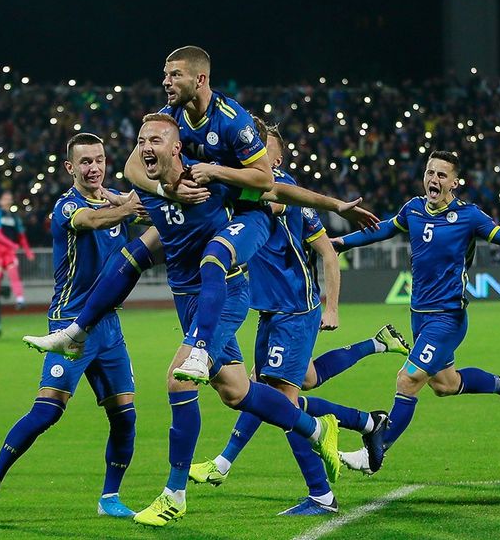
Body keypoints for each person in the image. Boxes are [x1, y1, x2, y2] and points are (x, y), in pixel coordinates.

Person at [23, 45, 376, 359]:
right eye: (166, 75)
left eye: (175, 75)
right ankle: (76, 332)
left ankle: (200, 348)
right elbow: (132, 167)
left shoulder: (233, 123)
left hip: (240, 214)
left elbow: (270, 184)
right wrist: (168, 192)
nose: (166, 82)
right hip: (196, 210)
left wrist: (217, 171)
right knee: (132, 257)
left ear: (200, 79)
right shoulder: (171, 115)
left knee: (214, 259)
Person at [123, 114, 350, 527]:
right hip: (205, 299)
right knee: (237, 390)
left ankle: (174, 495)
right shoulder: (193, 174)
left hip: (240, 298)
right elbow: (135, 173)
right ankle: (317, 429)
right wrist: (151, 196)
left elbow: (278, 193)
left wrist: (334, 205)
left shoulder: (236, 183)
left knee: (180, 378)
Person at [187, 120, 408, 515]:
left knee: (282, 402)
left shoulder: (276, 191)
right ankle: (368, 421)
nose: (254, 155)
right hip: (270, 312)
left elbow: (325, 250)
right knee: (277, 389)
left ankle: (321, 494)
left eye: (264, 149)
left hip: (294, 311)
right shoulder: (259, 189)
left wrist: (332, 305)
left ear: (275, 158)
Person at [333, 150, 500, 474]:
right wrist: (341, 243)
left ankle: (374, 453)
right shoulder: (413, 209)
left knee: (407, 379)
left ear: (454, 183)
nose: (434, 179)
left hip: (448, 318)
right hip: (419, 316)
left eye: (441, 175)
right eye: (430, 172)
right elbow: (383, 229)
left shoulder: (468, 216)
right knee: (445, 384)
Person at [0, 133, 144, 519]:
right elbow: (93, 220)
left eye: (99, 160)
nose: (93, 167)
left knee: (125, 416)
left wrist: (142, 201)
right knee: (48, 411)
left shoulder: (116, 199)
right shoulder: (67, 206)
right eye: (85, 162)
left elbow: (146, 212)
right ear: (70, 168)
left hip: (109, 325)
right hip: (70, 323)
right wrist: (128, 206)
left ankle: (109, 498)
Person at [0, 191, 35, 310]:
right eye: (5, 198)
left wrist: (28, 251)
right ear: (0, 201)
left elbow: (22, 236)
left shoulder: (15, 217)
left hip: (8, 250)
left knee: (14, 273)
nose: (8, 201)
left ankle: (20, 300)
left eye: (9, 198)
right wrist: (12, 244)